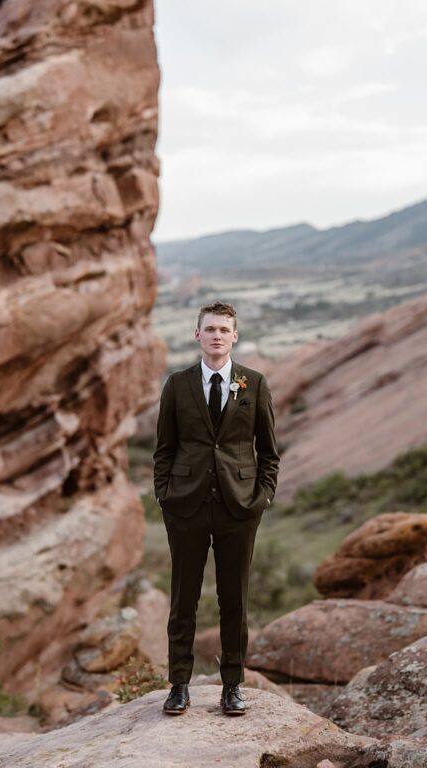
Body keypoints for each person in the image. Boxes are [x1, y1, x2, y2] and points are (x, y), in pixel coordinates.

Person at [152, 301, 279, 716]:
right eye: (210, 329)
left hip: (238, 508)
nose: (217, 336)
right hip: (185, 507)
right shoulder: (177, 384)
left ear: (234, 336)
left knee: (234, 600)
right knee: (183, 600)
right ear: (198, 335)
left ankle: (232, 686)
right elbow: (164, 449)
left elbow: (269, 451)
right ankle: (179, 685)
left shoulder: (253, 384)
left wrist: (262, 497)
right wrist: (165, 495)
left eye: (224, 329)